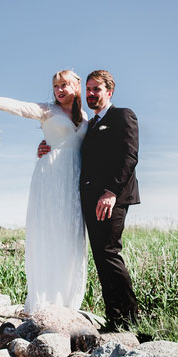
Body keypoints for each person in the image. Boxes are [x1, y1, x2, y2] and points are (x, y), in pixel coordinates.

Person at [0, 70, 89, 313]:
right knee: (49, 231)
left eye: (65, 85)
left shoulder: (85, 116)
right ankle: (45, 301)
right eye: (56, 86)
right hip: (51, 175)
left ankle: (67, 300)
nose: (59, 90)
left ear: (77, 85)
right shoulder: (47, 110)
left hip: (75, 179)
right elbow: (18, 107)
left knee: (71, 234)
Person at [38, 69, 139, 330]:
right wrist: (45, 144)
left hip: (111, 199)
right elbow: (73, 148)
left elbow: (129, 157)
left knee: (109, 253)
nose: (92, 93)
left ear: (109, 92)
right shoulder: (90, 124)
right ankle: (114, 319)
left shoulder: (122, 116)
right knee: (101, 258)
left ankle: (130, 320)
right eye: (89, 89)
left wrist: (111, 193)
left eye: (97, 89)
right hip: (90, 200)